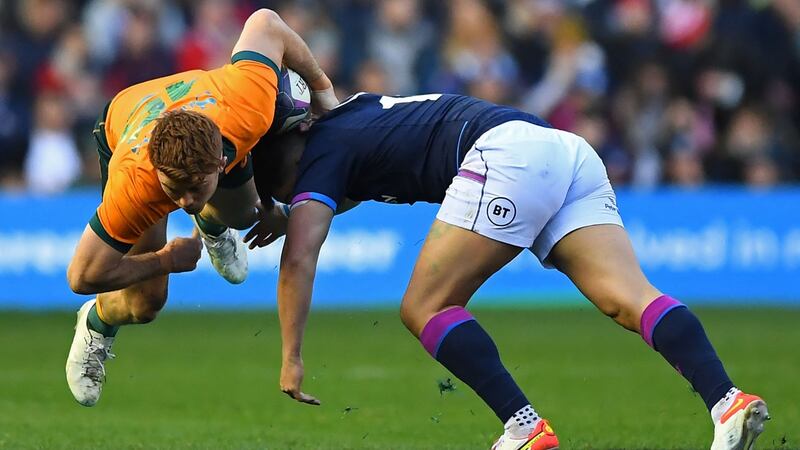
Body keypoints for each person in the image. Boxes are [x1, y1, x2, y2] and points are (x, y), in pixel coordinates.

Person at [247, 92, 769, 450]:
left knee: (424, 307)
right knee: (629, 297)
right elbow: (339, 194)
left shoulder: (321, 153)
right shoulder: (350, 122)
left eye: (280, 188)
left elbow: (299, 257)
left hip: (505, 156)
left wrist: (291, 358)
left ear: (285, 158)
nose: (292, 198)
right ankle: (728, 402)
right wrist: (290, 210)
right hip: (562, 150)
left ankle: (523, 428)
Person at [64, 8, 338, 407]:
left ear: (221, 161)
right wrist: (166, 261)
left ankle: (215, 224)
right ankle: (96, 323)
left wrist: (325, 92)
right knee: (146, 304)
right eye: (176, 191)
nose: (186, 202)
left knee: (246, 215)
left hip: (211, 113)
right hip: (124, 120)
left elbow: (265, 22)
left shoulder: (249, 105)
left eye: (197, 190)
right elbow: (82, 275)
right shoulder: (137, 185)